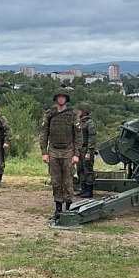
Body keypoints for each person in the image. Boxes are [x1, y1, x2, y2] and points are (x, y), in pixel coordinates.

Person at [39, 87, 81, 220]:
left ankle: (68, 208)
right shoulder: (49, 114)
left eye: (63, 97)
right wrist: (44, 152)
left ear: (66, 99)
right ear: (56, 99)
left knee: (68, 181)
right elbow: (44, 134)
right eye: (59, 97)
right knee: (56, 181)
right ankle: (58, 209)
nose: (61, 99)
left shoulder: (73, 115)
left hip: (68, 151)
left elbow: (78, 135)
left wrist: (76, 154)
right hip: (53, 151)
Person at [75, 102, 97, 198]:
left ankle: (89, 190)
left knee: (87, 169)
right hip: (79, 149)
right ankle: (83, 188)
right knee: (80, 169)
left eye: (79, 110)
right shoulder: (79, 122)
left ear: (84, 112)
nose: (78, 112)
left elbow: (92, 139)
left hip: (86, 149)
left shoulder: (90, 123)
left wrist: (89, 152)